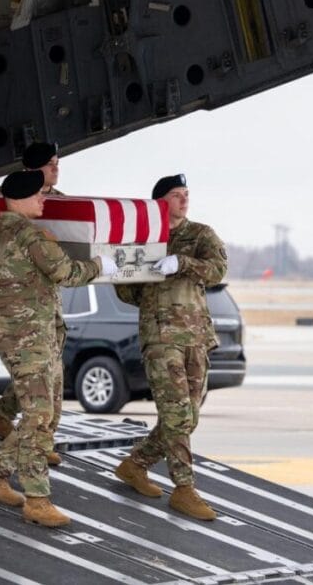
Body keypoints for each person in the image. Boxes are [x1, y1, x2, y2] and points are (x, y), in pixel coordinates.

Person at [0, 170, 116, 526]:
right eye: (38, 195)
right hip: (32, 339)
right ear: (21, 198)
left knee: (39, 414)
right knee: (38, 416)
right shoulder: (31, 237)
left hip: (12, 336)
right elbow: (67, 274)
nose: (44, 199)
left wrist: (6, 275)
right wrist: (99, 266)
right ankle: (36, 498)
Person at [113, 174, 227, 521]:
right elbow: (124, 288)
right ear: (161, 201)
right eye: (177, 195)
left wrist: (183, 263)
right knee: (178, 414)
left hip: (195, 337)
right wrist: (148, 280)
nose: (184, 200)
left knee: (186, 417)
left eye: (186, 194)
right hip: (161, 338)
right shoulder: (146, 238)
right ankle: (183, 489)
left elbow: (218, 269)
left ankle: (136, 464)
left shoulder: (201, 234)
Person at [0, 141, 65, 446]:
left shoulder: (63, 201)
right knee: (42, 370)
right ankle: (42, 440)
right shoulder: (6, 195)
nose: (56, 168)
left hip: (45, 296)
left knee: (45, 369)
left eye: (58, 162)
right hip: (20, 301)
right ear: (32, 170)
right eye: (50, 163)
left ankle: (4, 416)